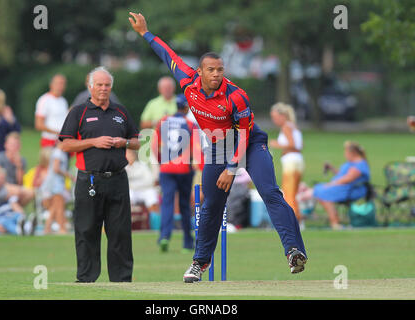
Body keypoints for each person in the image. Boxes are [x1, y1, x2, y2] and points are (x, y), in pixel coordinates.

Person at [129, 12, 307, 283]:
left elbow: (245, 135)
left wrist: (232, 168)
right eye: (211, 70)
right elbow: (168, 54)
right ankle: (199, 263)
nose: (216, 74)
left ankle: (293, 251)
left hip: (249, 143)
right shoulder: (187, 81)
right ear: (200, 71)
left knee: (270, 192)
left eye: (220, 70)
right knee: (211, 204)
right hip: (217, 146)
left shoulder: (236, 96)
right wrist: (145, 33)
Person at [59, 66, 140, 283]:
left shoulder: (121, 112)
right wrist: (93, 142)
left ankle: (122, 279)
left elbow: (138, 141)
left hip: (117, 179)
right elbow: (66, 145)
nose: (103, 89)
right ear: (90, 87)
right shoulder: (79, 112)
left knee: (120, 232)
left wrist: (125, 143)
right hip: (89, 179)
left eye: (107, 85)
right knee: (87, 230)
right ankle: (86, 278)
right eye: (99, 85)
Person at [152, 94, 199, 253]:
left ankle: (164, 236)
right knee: (185, 205)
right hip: (184, 169)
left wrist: (161, 161)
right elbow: (196, 149)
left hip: (166, 168)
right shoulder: (190, 124)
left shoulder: (163, 121)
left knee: (167, 203)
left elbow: (153, 146)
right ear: (186, 107)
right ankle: (187, 243)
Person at [297, 141, 370, 230]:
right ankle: (332, 221)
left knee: (323, 193)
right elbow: (341, 175)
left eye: (346, 152)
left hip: (352, 190)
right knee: (319, 191)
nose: (345, 154)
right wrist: (331, 168)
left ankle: (334, 222)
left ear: (353, 153)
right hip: (342, 187)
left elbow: (348, 179)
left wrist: (331, 184)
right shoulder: (351, 163)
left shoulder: (360, 164)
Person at [269, 102, 305, 229]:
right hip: (298, 160)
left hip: (291, 162)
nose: (274, 120)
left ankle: (294, 222)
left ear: (282, 115)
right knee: (293, 193)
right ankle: (298, 219)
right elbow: (301, 145)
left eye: (275, 117)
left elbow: (293, 144)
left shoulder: (286, 127)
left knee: (289, 193)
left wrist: (276, 144)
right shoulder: (293, 126)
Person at [39, 141, 74, 234]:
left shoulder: (58, 152)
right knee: (59, 205)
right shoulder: (58, 153)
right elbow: (56, 168)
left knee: (55, 207)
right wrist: (69, 175)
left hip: (56, 183)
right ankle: (62, 228)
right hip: (55, 183)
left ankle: (47, 228)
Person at [34, 74, 69, 148]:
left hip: (62, 141)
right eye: (58, 83)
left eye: (63, 83)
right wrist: (58, 133)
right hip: (49, 141)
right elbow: (38, 125)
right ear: (51, 85)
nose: (60, 86)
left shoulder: (63, 101)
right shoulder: (44, 100)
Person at [125, 149, 159, 215]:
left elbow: (149, 181)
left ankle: (155, 223)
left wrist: (134, 185)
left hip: (146, 190)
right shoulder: (123, 168)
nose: (128, 156)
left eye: (130, 154)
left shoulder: (142, 166)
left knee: (152, 199)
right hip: (132, 191)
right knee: (126, 198)